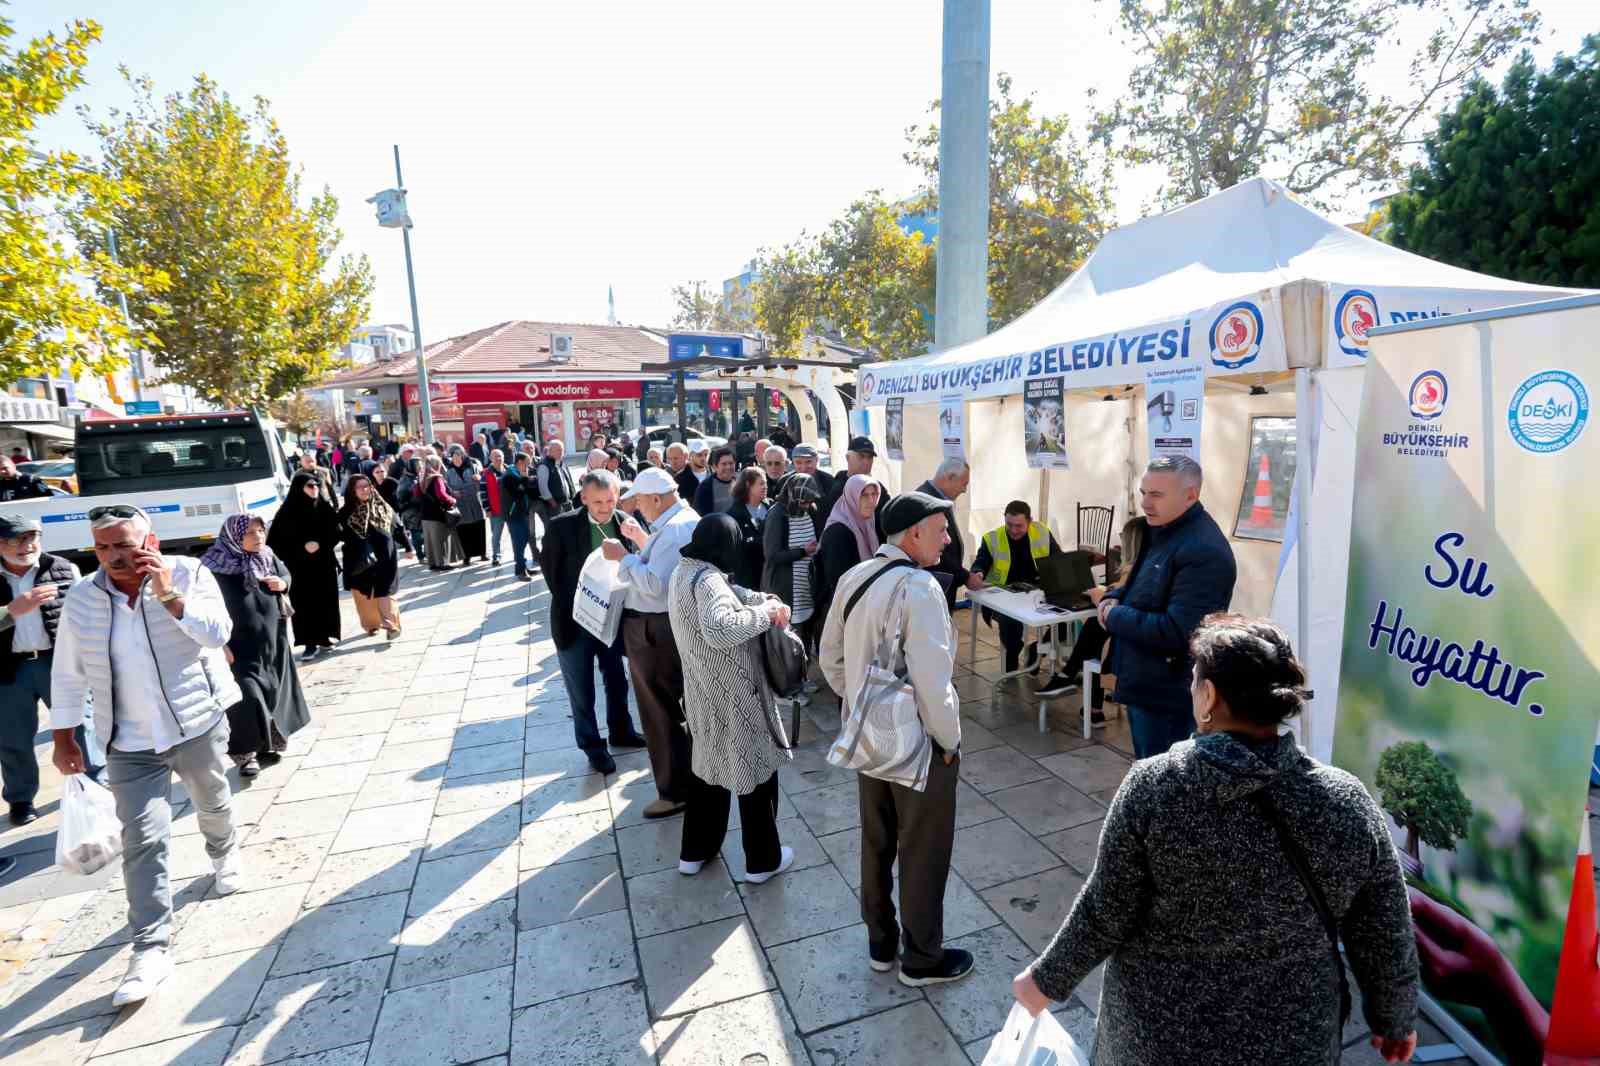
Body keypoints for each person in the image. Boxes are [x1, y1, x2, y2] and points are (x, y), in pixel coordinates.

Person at [1011, 615, 1420, 1066]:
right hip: (1292, 1042)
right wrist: (1393, 1018)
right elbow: (1384, 929)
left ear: (1209, 697)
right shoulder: (1346, 802)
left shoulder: (1155, 788)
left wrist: (1044, 982)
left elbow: (1106, 912)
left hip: (1159, 1041)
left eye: (1194, 679)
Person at [51, 504, 243, 1007]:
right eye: (104, 547)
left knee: (213, 799)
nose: (116, 556)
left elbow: (217, 635)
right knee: (143, 837)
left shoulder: (189, 571)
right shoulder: (83, 598)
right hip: (126, 741)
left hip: (194, 723)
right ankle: (150, 948)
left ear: (150, 540)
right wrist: (64, 735)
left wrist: (169, 596)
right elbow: (69, 671)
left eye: (125, 544)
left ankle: (223, 853)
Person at [820, 492, 971, 987]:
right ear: (913, 535)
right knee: (923, 848)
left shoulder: (855, 575)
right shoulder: (921, 587)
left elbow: (830, 660)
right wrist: (949, 741)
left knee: (877, 839)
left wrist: (862, 704)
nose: (948, 538)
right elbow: (933, 682)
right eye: (941, 529)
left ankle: (881, 943)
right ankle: (922, 959)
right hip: (918, 744)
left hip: (868, 734)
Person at [1097, 456, 1237, 758]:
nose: (1146, 502)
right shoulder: (1162, 528)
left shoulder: (1203, 550)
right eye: (1143, 492)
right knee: (1151, 774)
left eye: (1157, 494)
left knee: (1164, 783)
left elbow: (1178, 630)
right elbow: (1146, 585)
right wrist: (1116, 595)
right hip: (1146, 683)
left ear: (1191, 495)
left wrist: (1112, 614)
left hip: (1168, 695)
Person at [603, 467, 700, 818]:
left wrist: (624, 557)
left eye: (641, 501)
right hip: (661, 628)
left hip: (654, 630)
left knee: (658, 711)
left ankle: (674, 791)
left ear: (657, 499)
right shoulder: (680, 521)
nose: (638, 508)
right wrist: (643, 542)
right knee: (669, 707)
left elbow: (657, 586)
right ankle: (683, 783)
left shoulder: (674, 529)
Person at [540, 470, 648, 775]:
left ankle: (621, 731)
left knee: (617, 679)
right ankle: (592, 746)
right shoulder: (561, 527)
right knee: (582, 689)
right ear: (583, 497)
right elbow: (552, 574)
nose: (603, 507)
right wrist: (584, 602)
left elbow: (640, 565)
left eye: (610, 500)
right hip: (574, 623)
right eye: (597, 501)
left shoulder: (626, 526)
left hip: (613, 621)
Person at [0, 513, 98, 827]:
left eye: (31, 537)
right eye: (16, 539)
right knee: (12, 737)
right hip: (9, 668)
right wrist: (11, 612)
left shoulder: (63, 568)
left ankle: (95, 784)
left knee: (81, 725)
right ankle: (20, 799)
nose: (25, 545)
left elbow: (88, 616)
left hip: (57, 663)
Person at [201, 514, 309, 777]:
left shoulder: (267, 555)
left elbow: (286, 575)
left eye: (261, 531)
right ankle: (245, 755)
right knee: (245, 697)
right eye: (250, 533)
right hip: (237, 646)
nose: (258, 536)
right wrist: (219, 645)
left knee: (272, 692)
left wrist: (282, 583)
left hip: (273, 640)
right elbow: (205, 606)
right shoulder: (213, 567)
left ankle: (268, 745)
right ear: (234, 536)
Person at [1035, 515, 1149, 702]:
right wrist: (1108, 591)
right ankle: (1077, 688)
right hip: (1134, 628)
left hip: (1132, 637)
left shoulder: (1137, 569)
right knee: (1094, 630)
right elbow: (1123, 593)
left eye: (1123, 538)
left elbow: (1119, 603)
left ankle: (1068, 677)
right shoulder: (1148, 566)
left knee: (1095, 628)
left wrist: (1100, 596)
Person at [969, 500, 1062, 674]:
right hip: (1003, 596)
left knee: (1068, 619)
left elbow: (1059, 560)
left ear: (1030, 521)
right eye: (1009, 524)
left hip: (1037, 592)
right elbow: (980, 563)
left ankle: (1036, 650)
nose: (1013, 530)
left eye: (1019, 526)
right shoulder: (992, 538)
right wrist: (978, 573)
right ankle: (1012, 656)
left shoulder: (1041, 532)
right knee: (1010, 620)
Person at [267, 470, 343, 661]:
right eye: (310, 486)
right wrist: (301, 548)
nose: (315, 489)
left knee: (325, 600)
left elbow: (336, 531)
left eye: (317, 485)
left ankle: (325, 637)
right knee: (304, 604)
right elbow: (274, 542)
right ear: (299, 488)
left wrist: (321, 543)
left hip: (323, 563)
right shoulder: (286, 512)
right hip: (299, 567)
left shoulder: (324, 507)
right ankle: (309, 643)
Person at [338, 473, 411, 639]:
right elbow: (337, 535)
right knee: (364, 594)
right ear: (352, 490)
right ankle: (372, 625)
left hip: (386, 556)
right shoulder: (345, 512)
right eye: (359, 487)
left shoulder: (383, 506)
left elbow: (398, 528)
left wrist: (408, 546)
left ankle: (392, 626)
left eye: (367, 486)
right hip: (360, 559)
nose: (364, 490)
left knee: (386, 590)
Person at [762, 474, 823, 660]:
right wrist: (803, 551)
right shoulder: (777, 514)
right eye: (803, 501)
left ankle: (803, 677)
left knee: (804, 634)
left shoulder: (810, 510)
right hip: (786, 586)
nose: (806, 505)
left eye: (809, 501)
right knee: (788, 639)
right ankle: (792, 683)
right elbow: (772, 555)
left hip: (805, 585)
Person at [815, 473, 882, 630]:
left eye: (874, 494)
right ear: (852, 497)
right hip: (842, 613)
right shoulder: (838, 532)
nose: (871, 501)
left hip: (861, 607)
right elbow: (838, 581)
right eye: (864, 495)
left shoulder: (868, 523)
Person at [916, 458, 971, 611]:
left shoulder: (936, 498)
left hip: (942, 584)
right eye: (964, 483)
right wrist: (965, 576)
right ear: (951, 478)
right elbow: (934, 549)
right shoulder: (927, 501)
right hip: (934, 584)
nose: (964, 490)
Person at [823, 437, 887, 536]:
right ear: (848, 458)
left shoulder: (878, 487)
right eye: (861, 456)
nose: (866, 462)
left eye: (870, 457)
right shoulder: (838, 489)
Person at [725, 467, 768, 591]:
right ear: (748, 485)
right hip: (748, 577)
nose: (765, 487)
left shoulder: (770, 507)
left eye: (765, 483)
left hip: (769, 574)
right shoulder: (734, 514)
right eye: (761, 483)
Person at [417, 456, 463, 571]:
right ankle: (442, 563)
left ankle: (433, 564)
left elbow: (416, 493)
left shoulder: (422, 477)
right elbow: (441, 494)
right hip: (437, 513)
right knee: (441, 539)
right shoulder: (437, 478)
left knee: (430, 540)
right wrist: (452, 500)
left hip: (425, 514)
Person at [444, 445, 488, 564]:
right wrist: (453, 492)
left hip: (473, 500)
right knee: (464, 529)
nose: (457, 457)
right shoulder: (449, 471)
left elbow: (481, 480)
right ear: (451, 457)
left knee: (478, 526)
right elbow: (446, 488)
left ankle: (482, 553)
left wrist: (478, 478)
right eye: (455, 455)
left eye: (460, 455)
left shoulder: (472, 466)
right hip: (460, 503)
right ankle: (466, 556)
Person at [500, 453, 537, 580]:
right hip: (513, 514)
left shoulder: (517, 474)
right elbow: (518, 493)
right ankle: (520, 570)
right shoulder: (510, 475)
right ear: (520, 462)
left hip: (522, 513)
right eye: (527, 463)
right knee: (519, 542)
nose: (529, 466)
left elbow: (524, 489)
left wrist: (524, 481)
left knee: (525, 538)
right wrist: (525, 479)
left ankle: (522, 566)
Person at [535, 440, 576, 539]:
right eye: (558, 450)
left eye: (562, 450)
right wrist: (553, 503)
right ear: (550, 451)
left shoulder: (561, 463)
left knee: (569, 530)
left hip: (567, 503)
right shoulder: (544, 465)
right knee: (556, 532)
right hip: (555, 505)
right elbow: (543, 487)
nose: (561, 452)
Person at [482, 448, 512, 566]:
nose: (498, 459)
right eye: (495, 457)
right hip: (495, 510)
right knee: (496, 535)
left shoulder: (509, 470)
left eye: (500, 456)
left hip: (510, 509)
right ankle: (496, 556)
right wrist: (487, 509)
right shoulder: (487, 473)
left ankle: (517, 555)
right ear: (490, 459)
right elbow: (483, 493)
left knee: (514, 532)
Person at [692, 446, 739, 516]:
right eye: (724, 464)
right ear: (715, 467)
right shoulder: (705, 487)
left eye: (731, 463)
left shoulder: (740, 483)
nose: (728, 467)